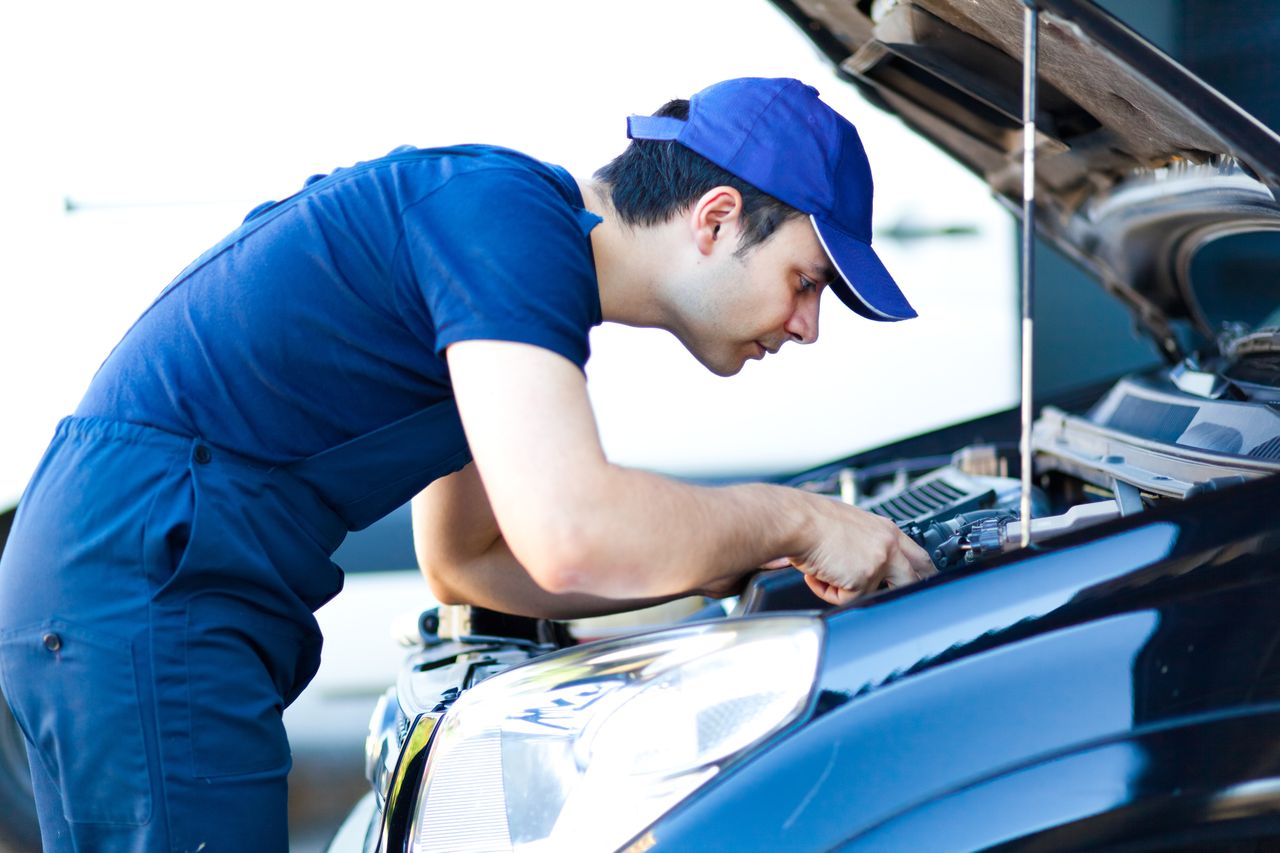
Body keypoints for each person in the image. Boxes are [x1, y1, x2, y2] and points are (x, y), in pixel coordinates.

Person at [0, 77, 934, 851]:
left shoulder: (519, 261)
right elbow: (570, 534)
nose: (808, 326)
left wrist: (738, 568)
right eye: (806, 281)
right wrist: (797, 518)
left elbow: (476, 562)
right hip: (143, 574)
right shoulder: (507, 223)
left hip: (125, 569)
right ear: (718, 217)